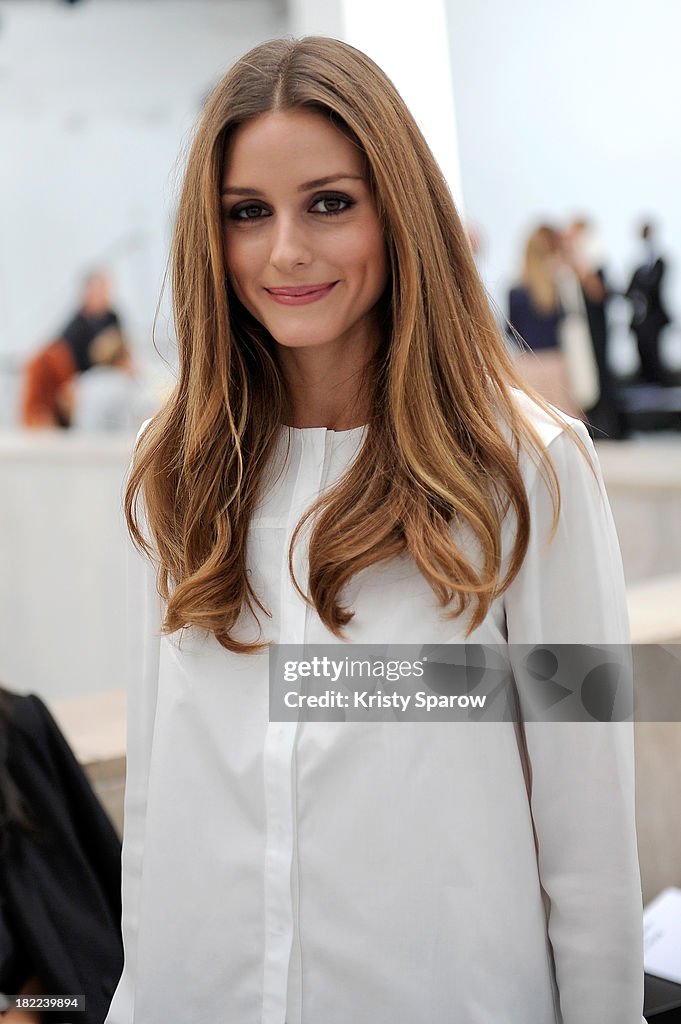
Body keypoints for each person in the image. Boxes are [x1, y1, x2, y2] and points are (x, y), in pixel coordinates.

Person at [106, 37, 644, 1024]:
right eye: (247, 214)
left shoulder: (532, 466)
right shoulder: (176, 463)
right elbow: (157, 797)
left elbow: (592, 832)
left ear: (399, 211)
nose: (286, 252)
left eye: (329, 202)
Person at [20, 271, 121, 428]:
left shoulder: (112, 318)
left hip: (108, 376)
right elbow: (62, 358)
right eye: (98, 290)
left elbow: (121, 349)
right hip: (80, 379)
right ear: (87, 294)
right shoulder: (76, 326)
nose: (103, 295)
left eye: (105, 290)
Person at [508, 225, 584, 417]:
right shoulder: (559, 287)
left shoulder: (516, 291)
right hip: (555, 363)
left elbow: (511, 330)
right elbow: (570, 320)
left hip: (528, 365)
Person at [69, 327, 156, 433]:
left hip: (82, 441)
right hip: (117, 444)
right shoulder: (127, 384)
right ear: (123, 358)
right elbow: (149, 415)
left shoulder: (84, 381)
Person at [625, 222, 671, 385]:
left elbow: (653, 287)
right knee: (642, 355)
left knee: (654, 356)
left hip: (654, 319)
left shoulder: (659, 262)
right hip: (639, 321)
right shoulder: (639, 266)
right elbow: (629, 290)